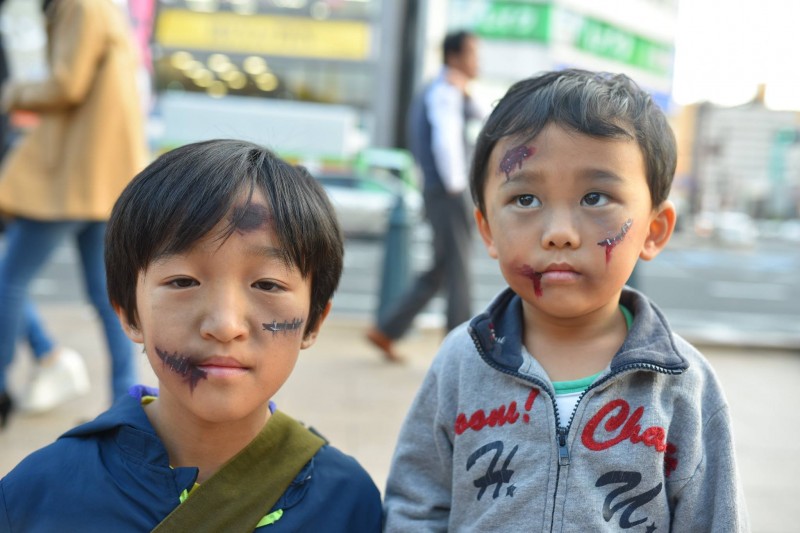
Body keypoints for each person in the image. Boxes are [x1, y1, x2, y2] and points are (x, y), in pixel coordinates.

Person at [383, 69, 749, 531]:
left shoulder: (683, 386)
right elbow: (416, 506)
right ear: (488, 229)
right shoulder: (461, 362)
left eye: (595, 197)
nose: (558, 233)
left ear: (654, 230)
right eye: (526, 199)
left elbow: (714, 520)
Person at [0, 139, 384, 531]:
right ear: (130, 312)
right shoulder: (38, 496)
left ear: (314, 320)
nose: (224, 325)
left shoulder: (347, 505)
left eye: (268, 285)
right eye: (183, 280)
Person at [0, 0, 147, 426]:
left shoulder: (81, 6)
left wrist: (13, 92)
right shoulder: (100, 7)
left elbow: (67, 83)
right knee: (107, 297)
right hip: (101, 177)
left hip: (72, 175)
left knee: (8, 280)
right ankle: (126, 402)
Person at [366, 30, 482, 362]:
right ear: (455, 56)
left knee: (443, 268)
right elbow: (446, 144)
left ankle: (387, 329)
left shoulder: (446, 90)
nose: (478, 61)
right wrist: (458, 188)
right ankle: (460, 351)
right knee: (458, 269)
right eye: (473, 53)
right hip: (449, 190)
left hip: (441, 190)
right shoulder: (446, 92)